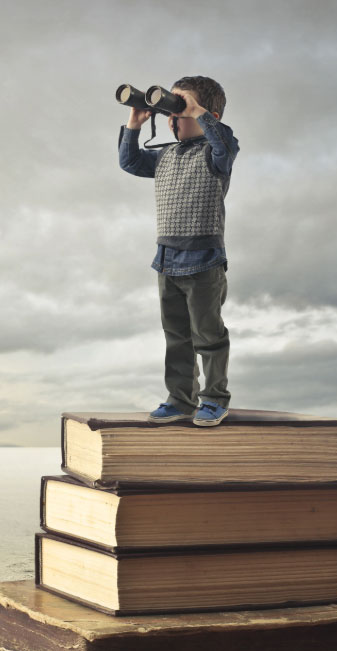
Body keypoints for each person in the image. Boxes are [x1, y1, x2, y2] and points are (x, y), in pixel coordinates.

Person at [118, 76, 239, 427]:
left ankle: (215, 399)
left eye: (179, 109)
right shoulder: (165, 156)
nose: (171, 117)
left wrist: (199, 114)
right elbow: (129, 162)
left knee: (208, 336)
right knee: (176, 337)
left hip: (204, 260)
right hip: (167, 259)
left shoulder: (218, 154)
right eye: (170, 110)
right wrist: (135, 124)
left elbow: (224, 146)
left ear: (208, 114)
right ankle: (180, 398)